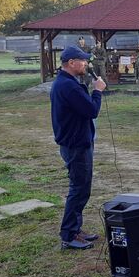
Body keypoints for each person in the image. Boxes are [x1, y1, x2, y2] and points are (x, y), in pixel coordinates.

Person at [50, 45, 106, 250]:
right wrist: (97, 91)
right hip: (76, 144)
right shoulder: (68, 86)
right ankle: (69, 235)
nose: (86, 64)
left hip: (75, 141)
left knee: (82, 188)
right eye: (82, 61)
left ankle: (75, 229)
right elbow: (91, 110)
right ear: (71, 63)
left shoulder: (66, 83)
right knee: (79, 189)